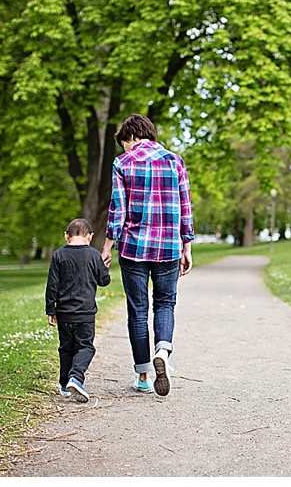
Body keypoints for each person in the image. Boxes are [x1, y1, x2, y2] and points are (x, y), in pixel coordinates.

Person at [101, 113, 194, 397]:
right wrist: (186, 245)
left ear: (131, 136)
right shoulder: (174, 161)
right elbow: (185, 206)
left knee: (138, 311)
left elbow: (118, 209)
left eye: (123, 144)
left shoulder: (123, 163)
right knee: (165, 304)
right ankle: (163, 352)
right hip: (167, 247)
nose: (124, 150)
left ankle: (143, 374)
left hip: (133, 248)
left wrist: (107, 246)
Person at [45, 218, 111, 403]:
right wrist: (104, 267)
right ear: (89, 236)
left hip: (64, 313)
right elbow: (103, 281)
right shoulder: (93, 255)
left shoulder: (58, 255)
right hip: (85, 313)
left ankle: (65, 385)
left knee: (66, 348)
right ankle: (76, 377)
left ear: (66, 236)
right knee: (85, 347)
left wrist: (51, 309)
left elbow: (52, 285)